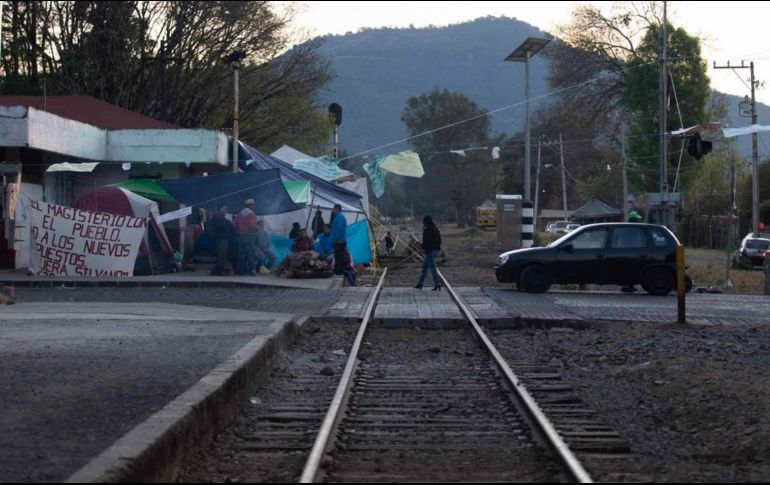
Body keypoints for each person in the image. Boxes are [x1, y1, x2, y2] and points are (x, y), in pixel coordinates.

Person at [415, 215, 442, 291]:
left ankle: (437, 284)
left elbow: (426, 242)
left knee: (432, 268)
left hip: (430, 251)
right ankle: (420, 283)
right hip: (436, 250)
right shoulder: (435, 229)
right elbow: (439, 240)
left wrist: (421, 247)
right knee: (424, 267)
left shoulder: (426, 230)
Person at [235, 198, 258, 276]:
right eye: (254, 205)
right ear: (250, 205)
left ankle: (240, 270)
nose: (254, 206)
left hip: (240, 235)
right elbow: (252, 226)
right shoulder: (251, 214)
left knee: (241, 253)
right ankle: (252, 270)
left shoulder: (240, 213)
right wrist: (256, 229)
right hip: (249, 235)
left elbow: (235, 224)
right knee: (250, 253)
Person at [209, 204, 233, 275]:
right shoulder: (218, 218)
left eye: (226, 209)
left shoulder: (223, 219)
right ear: (220, 209)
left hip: (224, 239)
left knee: (223, 256)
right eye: (225, 208)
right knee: (222, 256)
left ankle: (215, 271)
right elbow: (219, 227)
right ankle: (219, 271)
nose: (226, 210)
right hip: (220, 238)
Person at [330, 204, 348, 275]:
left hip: (339, 241)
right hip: (339, 240)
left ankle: (338, 271)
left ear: (337, 209)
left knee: (339, 257)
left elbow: (339, 229)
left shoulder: (340, 217)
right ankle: (339, 271)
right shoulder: (339, 217)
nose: (333, 211)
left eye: (333, 209)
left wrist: (336, 239)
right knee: (338, 256)